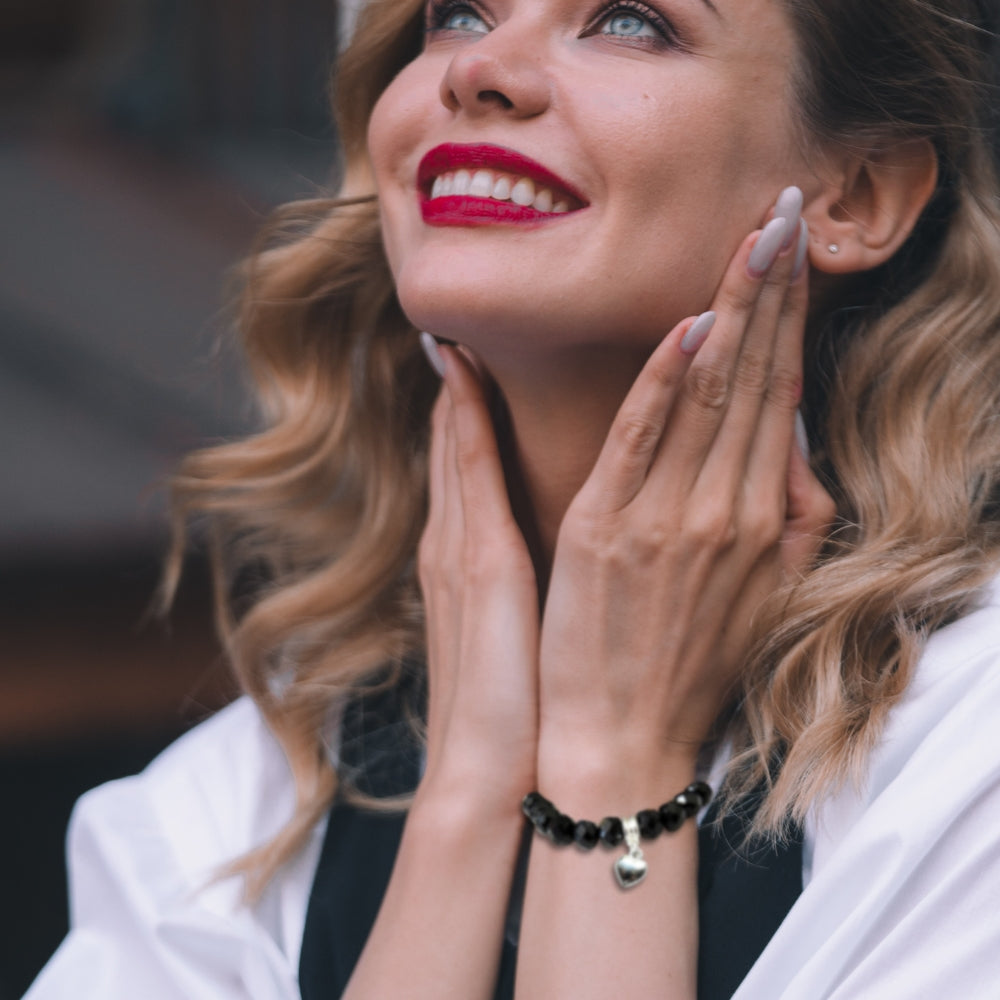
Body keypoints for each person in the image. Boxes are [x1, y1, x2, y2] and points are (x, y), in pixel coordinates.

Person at [26, 0, 1000, 997]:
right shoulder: (232, 811)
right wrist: (464, 794)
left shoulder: (969, 753)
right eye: (455, 15)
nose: (480, 69)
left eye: (629, 21)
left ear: (859, 193)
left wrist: (619, 760)